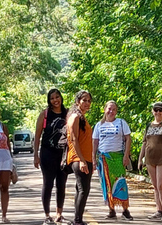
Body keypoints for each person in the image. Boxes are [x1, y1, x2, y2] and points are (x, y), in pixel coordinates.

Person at [92, 100, 134, 221]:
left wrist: (126, 155)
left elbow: (128, 139)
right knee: (106, 184)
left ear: (116, 111)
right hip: (104, 159)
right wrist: (93, 159)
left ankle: (125, 210)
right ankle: (111, 210)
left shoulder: (121, 123)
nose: (111, 111)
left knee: (121, 182)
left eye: (114, 109)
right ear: (105, 109)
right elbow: (95, 142)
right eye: (109, 109)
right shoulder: (99, 125)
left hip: (118, 158)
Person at [34, 88, 69, 224]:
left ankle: (59, 213)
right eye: (52, 98)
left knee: (61, 184)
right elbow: (37, 136)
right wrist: (35, 155)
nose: (55, 100)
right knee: (48, 184)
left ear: (61, 97)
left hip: (63, 154)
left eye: (57, 97)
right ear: (49, 101)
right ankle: (47, 215)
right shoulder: (45, 114)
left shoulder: (68, 114)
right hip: (47, 153)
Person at [66, 90, 93, 225]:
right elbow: (74, 139)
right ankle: (77, 221)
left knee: (80, 190)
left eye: (89, 100)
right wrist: (82, 160)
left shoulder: (81, 117)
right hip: (79, 159)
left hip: (86, 158)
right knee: (84, 190)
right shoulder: (75, 117)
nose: (87, 103)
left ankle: (78, 219)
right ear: (77, 102)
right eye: (84, 100)